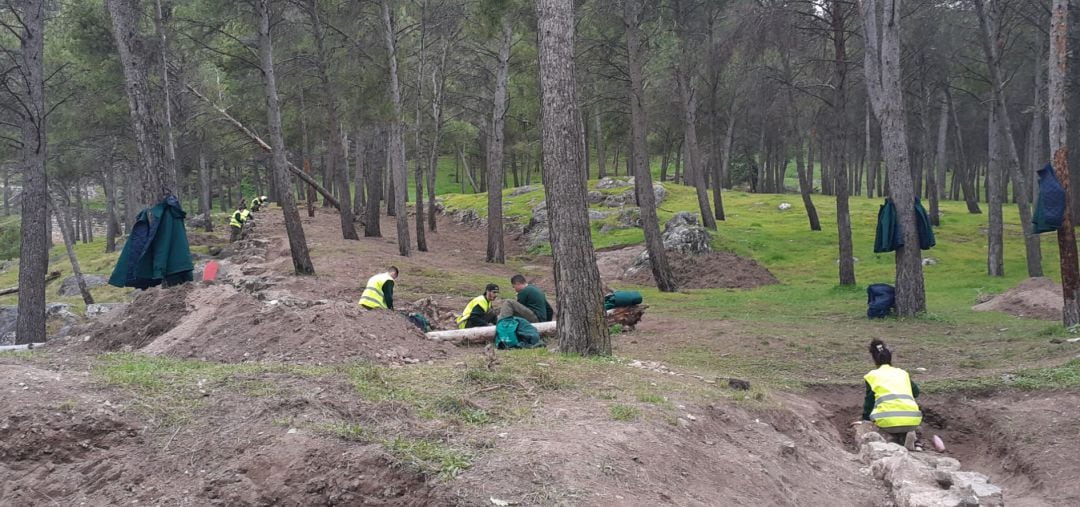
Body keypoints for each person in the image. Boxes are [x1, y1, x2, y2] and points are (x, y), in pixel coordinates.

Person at [859, 339, 922, 450]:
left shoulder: (872, 375)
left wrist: (865, 420)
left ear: (874, 358)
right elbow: (916, 392)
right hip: (912, 420)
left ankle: (889, 440)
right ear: (890, 357)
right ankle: (911, 438)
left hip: (887, 421)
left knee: (883, 422)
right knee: (905, 421)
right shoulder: (903, 373)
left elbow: (870, 401)